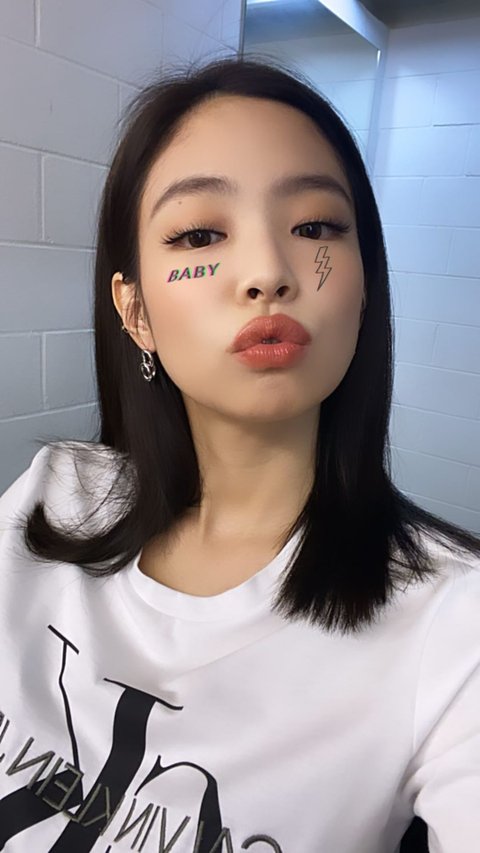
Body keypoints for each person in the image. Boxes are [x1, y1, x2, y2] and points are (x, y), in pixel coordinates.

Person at [0, 55, 479, 853]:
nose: (267, 274)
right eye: (200, 234)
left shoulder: (455, 626)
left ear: (364, 286)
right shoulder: (55, 493)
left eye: (316, 227)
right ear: (136, 312)